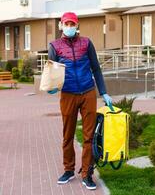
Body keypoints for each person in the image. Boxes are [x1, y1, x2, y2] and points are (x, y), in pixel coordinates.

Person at [47, 12, 112, 190]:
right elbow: (52, 71)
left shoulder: (86, 43)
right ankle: (68, 169)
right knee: (68, 134)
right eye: (66, 24)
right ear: (61, 25)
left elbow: (96, 69)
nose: (69, 26)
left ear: (77, 25)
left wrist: (104, 92)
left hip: (88, 92)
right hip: (67, 94)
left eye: (72, 24)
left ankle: (87, 174)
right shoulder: (54, 45)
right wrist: (51, 86)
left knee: (89, 136)